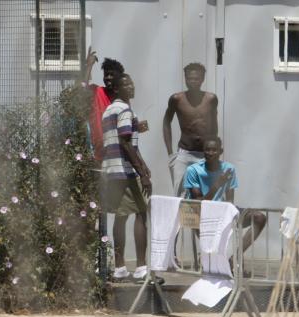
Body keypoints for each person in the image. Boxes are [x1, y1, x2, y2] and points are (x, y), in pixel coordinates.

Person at [183, 137, 266, 268]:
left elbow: (229, 201)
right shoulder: (193, 170)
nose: (210, 153)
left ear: (220, 151)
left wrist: (229, 216)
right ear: (203, 152)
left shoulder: (228, 169)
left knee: (259, 218)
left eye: (214, 150)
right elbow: (199, 202)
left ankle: (236, 257)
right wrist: (218, 184)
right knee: (214, 255)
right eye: (207, 150)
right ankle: (209, 255)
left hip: (222, 210)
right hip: (201, 214)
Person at [101, 73, 152, 281]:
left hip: (112, 170)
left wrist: (144, 164)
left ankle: (120, 267)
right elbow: (125, 142)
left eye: (131, 82)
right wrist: (142, 172)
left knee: (121, 216)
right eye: (125, 84)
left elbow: (125, 139)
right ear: (117, 89)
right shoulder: (124, 109)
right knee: (141, 212)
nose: (130, 86)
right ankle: (141, 267)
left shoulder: (108, 110)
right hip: (126, 171)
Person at [163, 63, 219, 196]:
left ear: (202, 79)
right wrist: (171, 153)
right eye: (189, 78)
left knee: (205, 193)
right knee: (180, 193)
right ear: (185, 79)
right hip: (184, 153)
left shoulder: (211, 99)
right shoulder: (176, 99)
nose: (192, 82)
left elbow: (214, 125)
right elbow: (166, 122)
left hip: (204, 155)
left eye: (196, 79)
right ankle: (179, 217)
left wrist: (214, 151)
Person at [82, 48, 125, 165]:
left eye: (112, 75)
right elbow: (82, 90)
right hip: (97, 154)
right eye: (106, 74)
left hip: (117, 155)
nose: (109, 77)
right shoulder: (97, 91)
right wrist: (89, 66)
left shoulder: (122, 99)